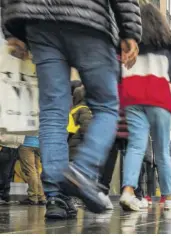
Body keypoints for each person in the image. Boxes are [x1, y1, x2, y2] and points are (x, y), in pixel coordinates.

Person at [1, 0, 142, 219]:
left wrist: (11, 27)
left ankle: (56, 196)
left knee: (52, 113)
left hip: (39, 23)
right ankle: (82, 172)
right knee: (106, 106)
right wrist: (130, 30)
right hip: (89, 19)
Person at [118, 3, 171, 211]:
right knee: (162, 150)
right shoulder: (167, 44)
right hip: (158, 98)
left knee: (136, 146)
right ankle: (168, 196)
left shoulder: (128, 42)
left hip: (133, 97)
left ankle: (128, 192)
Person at [18, 136, 46, 205]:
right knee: (36, 171)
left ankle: (33, 197)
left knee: (30, 171)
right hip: (39, 144)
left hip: (26, 144)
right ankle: (41, 197)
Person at [68, 87, 92, 159]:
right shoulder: (84, 110)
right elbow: (86, 130)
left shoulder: (72, 110)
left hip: (71, 145)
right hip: (79, 147)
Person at [0, 133, 22, 203]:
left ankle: (5, 195)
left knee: (9, 173)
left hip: (14, 147)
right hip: (4, 146)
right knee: (3, 174)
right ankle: (2, 195)